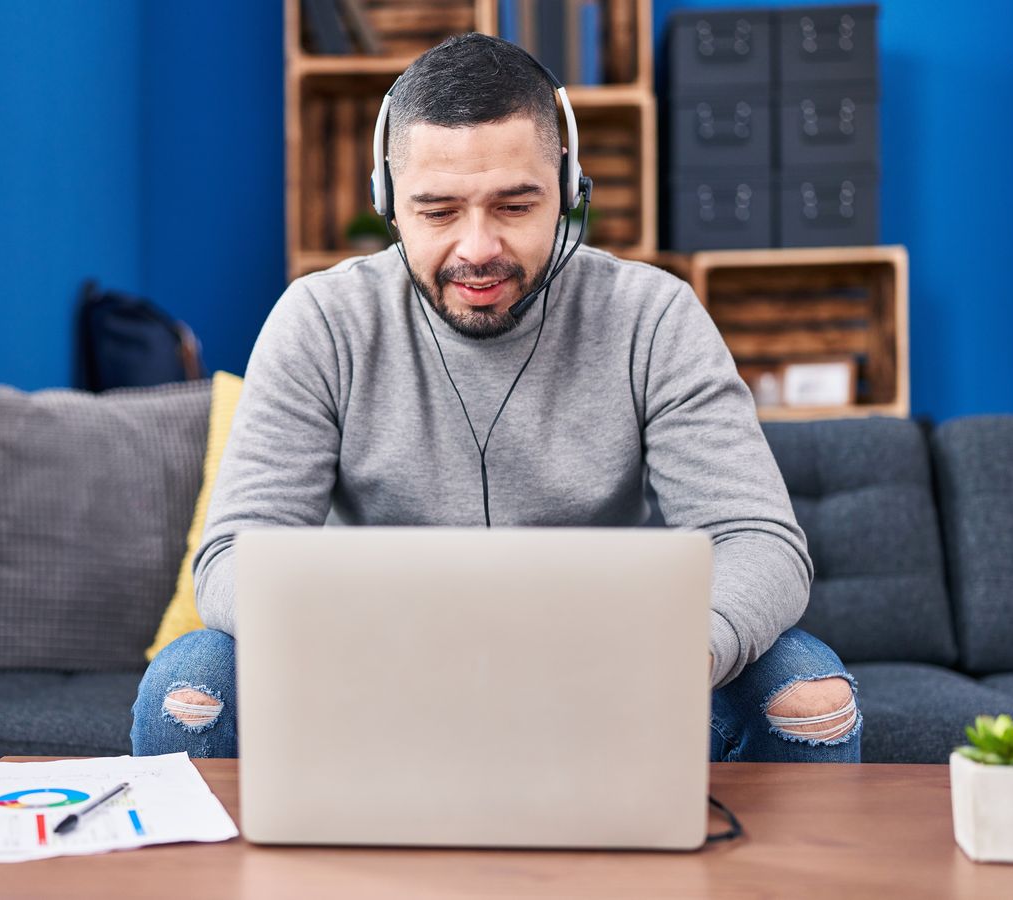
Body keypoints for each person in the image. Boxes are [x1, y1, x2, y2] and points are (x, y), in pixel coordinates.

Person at [131, 33, 860, 764]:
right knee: (190, 686)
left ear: (569, 189)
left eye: (514, 204)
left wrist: (687, 652)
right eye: (439, 211)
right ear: (388, 201)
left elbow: (758, 539)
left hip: (606, 685)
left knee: (806, 694)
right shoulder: (320, 321)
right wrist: (366, 642)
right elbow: (233, 552)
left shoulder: (654, 317)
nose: (477, 248)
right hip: (368, 675)